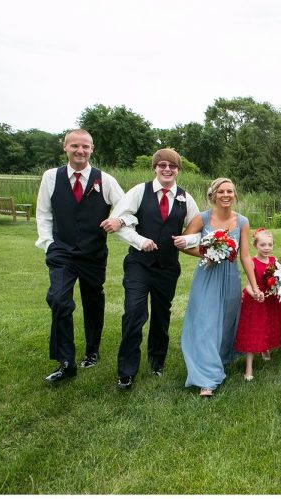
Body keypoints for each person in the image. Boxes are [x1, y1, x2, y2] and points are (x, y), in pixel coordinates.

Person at [36, 128, 131, 383]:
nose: (80, 151)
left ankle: (92, 350)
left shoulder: (105, 180)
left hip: (93, 254)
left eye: (85, 147)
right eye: (75, 146)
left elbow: (127, 209)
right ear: (65, 147)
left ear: (92, 149)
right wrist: (48, 244)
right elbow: (43, 213)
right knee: (58, 300)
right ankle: (66, 361)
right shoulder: (51, 177)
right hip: (61, 252)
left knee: (92, 302)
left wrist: (119, 220)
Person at [111, 148, 200, 390]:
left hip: (168, 267)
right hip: (139, 264)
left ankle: (157, 361)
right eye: (162, 165)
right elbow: (119, 222)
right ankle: (126, 372)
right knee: (134, 313)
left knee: (162, 316)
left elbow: (197, 231)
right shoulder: (139, 192)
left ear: (178, 170)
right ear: (155, 168)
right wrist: (140, 241)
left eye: (172, 166)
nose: (167, 169)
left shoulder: (185, 198)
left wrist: (187, 240)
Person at [176, 178, 262, 396]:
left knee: (224, 322)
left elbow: (244, 255)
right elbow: (183, 244)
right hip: (207, 275)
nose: (226, 195)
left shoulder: (242, 221)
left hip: (230, 278)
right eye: (221, 191)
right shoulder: (202, 218)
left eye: (230, 191)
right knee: (206, 322)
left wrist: (254, 286)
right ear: (213, 195)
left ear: (235, 195)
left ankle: (218, 359)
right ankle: (207, 378)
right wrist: (207, 253)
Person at [234, 229, 281, 382]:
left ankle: (265, 349)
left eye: (269, 245)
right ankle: (249, 367)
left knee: (268, 327)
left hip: (271, 301)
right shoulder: (251, 262)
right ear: (255, 245)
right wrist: (255, 294)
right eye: (263, 245)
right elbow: (249, 285)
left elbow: (279, 280)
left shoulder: (274, 261)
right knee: (254, 332)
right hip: (256, 302)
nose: (266, 248)